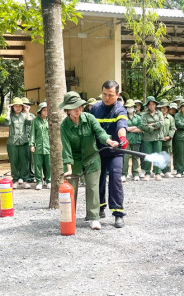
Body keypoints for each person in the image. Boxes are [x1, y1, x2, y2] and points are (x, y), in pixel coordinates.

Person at [59, 91, 119, 230]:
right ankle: (69, 217)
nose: (78, 110)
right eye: (74, 107)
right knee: (71, 189)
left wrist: (109, 141)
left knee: (92, 188)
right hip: (73, 161)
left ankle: (93, 217)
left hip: (91, 158)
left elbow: (100, 132)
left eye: (80, 106)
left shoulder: (90, 118)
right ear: (67, 109)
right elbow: (66, 147)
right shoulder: (64, 126)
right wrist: (68, 169)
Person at [90, 80, 128, 228]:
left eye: (110, 95)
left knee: (115, 178)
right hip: (99, 150)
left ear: (117, 95)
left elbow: (121, 125)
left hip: (115, 151)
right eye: (104, 94)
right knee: (97, 179)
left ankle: (118, 213)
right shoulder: (95, 108)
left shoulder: (120, 109)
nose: (106, 98)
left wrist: (123, 138)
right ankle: (99, 207)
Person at [5, 97, 33, 189]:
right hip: (12, 142)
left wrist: (27, 112)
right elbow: (6, 123)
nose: (18, 108)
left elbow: (29, 123)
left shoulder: (24, 115)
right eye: (15, 106)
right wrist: (8, 111)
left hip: (24, 141)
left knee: (25, 161)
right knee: (14, 162)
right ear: (12, 107)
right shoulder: (11, 116)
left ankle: (25, 180)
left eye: (20, 106)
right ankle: (15, 180)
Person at [141, 96, 164, 181]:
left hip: (157, 138)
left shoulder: (159, 113)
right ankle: (147, 173)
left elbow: (162, 123)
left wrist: (151, 125)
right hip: (147, 138)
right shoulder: (144, 115)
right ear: (147, 106)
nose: (151, 106)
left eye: (153, 104)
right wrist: (154, 126)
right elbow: (143, 126)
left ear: (155, 105)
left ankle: (157, 173)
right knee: (148, 155)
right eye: (150, 105)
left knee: (157, 155)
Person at [30, 102, 51, 190]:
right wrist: (32, 144)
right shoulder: (35, 121)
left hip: (48, 147)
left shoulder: (50, 120)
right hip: (38, 146)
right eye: (44, 110)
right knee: (38, 165)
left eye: (47, 110)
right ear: (40, 111)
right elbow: (32, 134)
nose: (46, 112)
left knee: (48, 164)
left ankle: (48, 180)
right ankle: (39, 181)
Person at [121, 99, 142, 182]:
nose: (130, 108)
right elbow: (123, 128)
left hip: (136, 139)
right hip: (126, 140)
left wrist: (129, 129)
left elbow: (140, 128)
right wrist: (134, 127)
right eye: (128, 107)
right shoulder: (123, 117)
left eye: (131, 107)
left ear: (134, 108)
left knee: (136, 157)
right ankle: (124, 174)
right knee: (125, 157)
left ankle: (136, 173)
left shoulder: (138, 117)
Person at [158, 99, 176, 178]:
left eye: (166, 108)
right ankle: (158, 171)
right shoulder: (157, 116)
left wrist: (169, 136)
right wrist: (160, 137)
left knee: (167, 155)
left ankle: (167, 171)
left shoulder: (170, 118)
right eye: (162, 108)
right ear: (160, 108)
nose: (164, 109)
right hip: (158, 139)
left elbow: (173, 128)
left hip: (168, 139)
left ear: (168, 108)